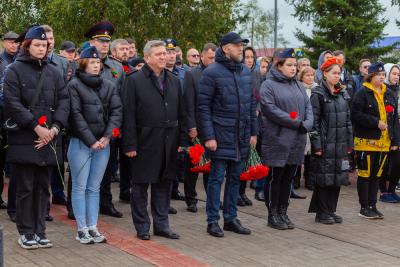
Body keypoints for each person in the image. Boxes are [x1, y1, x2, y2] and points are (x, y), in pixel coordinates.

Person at [4, 26, 69, 249]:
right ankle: (26, 232)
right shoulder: (14, 70)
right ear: (28, 46)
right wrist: (35, 127)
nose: (42, 48)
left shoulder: (54, 71)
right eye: (38, 45)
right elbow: (11, 103)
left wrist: (55, 128)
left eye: (45, 45)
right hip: (25, 138)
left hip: (50, 139)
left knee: (43, 188)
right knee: (25, 188)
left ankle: (40, 230)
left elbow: (64, 101)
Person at [121, 40, 186, 240]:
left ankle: (162, 225)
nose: (163, 57)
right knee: (140, 185)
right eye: (158, 54)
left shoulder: (174, 80)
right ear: (147, 57)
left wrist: (182, 141)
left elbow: (181, 112)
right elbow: (128, 114)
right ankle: (142, 226)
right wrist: (130, 144)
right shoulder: (134, 80)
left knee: (164, 184)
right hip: (144, 140)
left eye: (164, 53)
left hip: (169, 140)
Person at [198, 32, 258, 238]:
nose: (241, 48)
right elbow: (203, 107)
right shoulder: (211, 72)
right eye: (237, 45)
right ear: (225, 49)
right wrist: (209, 137)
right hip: (220, 134)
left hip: (241, 135)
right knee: (216, 179)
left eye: (242, 45)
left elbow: (251, 104)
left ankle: (231, 218)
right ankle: (213, 221)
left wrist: (253, 132)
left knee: (235, 179)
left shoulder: (245, 71)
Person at [67, 46, 122, 244]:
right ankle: (81, 228)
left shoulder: (109, 85)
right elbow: (75, 115)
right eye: (92, 62)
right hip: (81, 143)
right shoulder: (73, 85)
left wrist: (107, 138)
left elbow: (117, 112)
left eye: (98, 62)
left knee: (94, 187)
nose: (96, 66)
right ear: (83, 64)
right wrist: (91, 140)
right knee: (80, 186)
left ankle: (93, 226)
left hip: (103, 144)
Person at [260, 48, 313, 230]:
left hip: (296, 140)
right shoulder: (269, 84)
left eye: (295, 65)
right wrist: (296, 122)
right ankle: (272, 213)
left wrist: (307, 123)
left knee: (288, 178)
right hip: (278, 139)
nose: (293, 68)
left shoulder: (297, 85)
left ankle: (283, 211)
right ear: (279, 65)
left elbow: (308, 106)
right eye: (289, 65)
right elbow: (269, 109)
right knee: (276, 177)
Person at [85, 21, 124, 218]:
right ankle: (77, 206)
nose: (104, 44)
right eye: (100, 41)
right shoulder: (81, 64)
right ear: (91, 42)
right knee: (83, 169)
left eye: (107, 41)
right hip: (86, 125)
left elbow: (122, 98)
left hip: (110, 126)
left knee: (108, 167)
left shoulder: (117, 67)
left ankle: (105, 202)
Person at [308, 57, 353, 224]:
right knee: (324, 179)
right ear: (324, 74)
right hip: (326, 145)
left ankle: (331, 210)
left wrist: (349, 143)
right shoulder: (318, 94)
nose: (337, 76)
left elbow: (348, 120)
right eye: (333, 73)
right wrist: (317, 145)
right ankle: (322, 212)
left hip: (340, 145)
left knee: (337, 178)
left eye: (339, 73)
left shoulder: (342, 93)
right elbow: (314, 123)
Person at [351, 62, 399, 219]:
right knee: (365, 175)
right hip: (366, 142)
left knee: (377, 175)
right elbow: (355, 115)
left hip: (384, 143)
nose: (381, 78)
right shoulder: (362, 93)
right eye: (378, 75)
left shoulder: (389, 93)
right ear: (370, 76)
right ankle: (364, 207)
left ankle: (373, 205)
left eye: (383, 75)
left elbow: (394, 119)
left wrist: (395, 140)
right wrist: (375, 122)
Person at [183, 42, 217, 212]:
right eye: (210, 57)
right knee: (193, 166)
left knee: (212, 166)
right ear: (202, 56)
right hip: (197, 127)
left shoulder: (218, 73)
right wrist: (191, 126)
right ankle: (191, 198)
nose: (213, 60)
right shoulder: (192, 75)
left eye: (215, 58)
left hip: (214, 126)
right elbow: (188, 103)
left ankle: (212, 199)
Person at [110, 38, 133, 202]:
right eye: (122, 49)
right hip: (113, 120)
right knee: (110, 159)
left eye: (128, 49)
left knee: (127, 159)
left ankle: (126, 191)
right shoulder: (109, 68)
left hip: (128, 122)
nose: (126, 51)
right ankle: (105, 197)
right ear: (113, 52)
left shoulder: (132, 69)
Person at [238, 46, 262, 207]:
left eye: (251, 57)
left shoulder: (256, 74)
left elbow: (259, 95)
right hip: (241, 120)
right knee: (240, 160)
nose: (249, 60)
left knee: (248, 158)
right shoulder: (238, 73)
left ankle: (243, 192)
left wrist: (258, 108)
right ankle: (237, 193)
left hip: (254, 119)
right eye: (246, 57)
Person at [164, 38, 185, 210]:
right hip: (162, 125)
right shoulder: (158, 74)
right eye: (167, 52)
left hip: (178, 122)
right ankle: (164, 198)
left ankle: (174, 190)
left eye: (173, 52)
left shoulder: (183, 74)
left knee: (176, 161)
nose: (171, 55)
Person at [0, 31, 19, 210]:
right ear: (4, 43)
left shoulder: (20, 61)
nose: (14, 45)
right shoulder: (1, 61)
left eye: (16, 43)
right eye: (11, 42)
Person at [294, 67, 318, 190]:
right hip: (301, 124)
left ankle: (309, 180)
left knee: (312, 155)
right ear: (302, 76)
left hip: (313, 125)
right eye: (307, 75)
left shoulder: (317, 89)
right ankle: (296, 180)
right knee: (299, 153)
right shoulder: (298, 88)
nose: (310, 77)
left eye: (312, 75)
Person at [379, 63, 400, 203]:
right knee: (384, 163)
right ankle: (384, 192)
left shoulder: (397, 90)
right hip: (385, 131)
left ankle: (392, 190)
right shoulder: (383, 90)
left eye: (398, 75)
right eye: (393, 74)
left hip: (397, 129)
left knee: (397, 162)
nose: (396, 77)